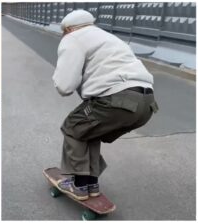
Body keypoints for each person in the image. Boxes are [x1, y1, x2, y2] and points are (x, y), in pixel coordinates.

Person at [52, 10, 158, 201]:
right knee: (89, 130)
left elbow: (64, 86)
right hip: (147, 104)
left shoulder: (73, 38)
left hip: (117, 99)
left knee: (73, 127)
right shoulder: (108, 37)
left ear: (67, 29)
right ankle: (91, 183)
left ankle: (79, 185)